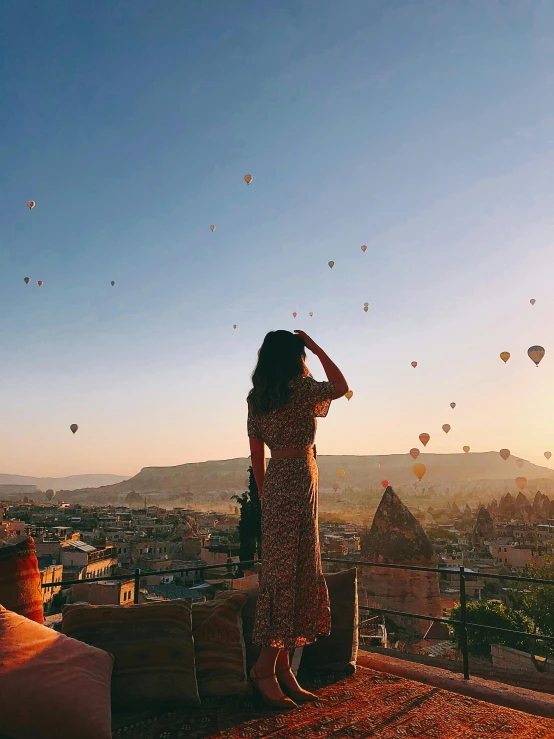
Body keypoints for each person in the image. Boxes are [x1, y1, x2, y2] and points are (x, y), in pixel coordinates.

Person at [246, 329, 348, 708]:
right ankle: (263, 669)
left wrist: (266, 497)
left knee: (288, 573)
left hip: (276, 485)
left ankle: (285, 668)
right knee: (292, 574)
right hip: (299, 482)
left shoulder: (258, 398)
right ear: (295, 356)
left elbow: (257, 459)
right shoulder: (303, 391)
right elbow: (340, 385)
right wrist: (318, 345)